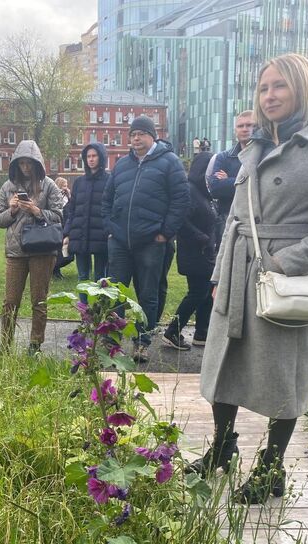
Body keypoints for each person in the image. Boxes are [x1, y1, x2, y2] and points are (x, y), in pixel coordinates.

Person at [194, 53, 308, 504]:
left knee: (284, 374)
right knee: (221, 363)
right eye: (264, 87)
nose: (269, 96)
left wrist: (289, 261)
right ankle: (222, 447)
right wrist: (217, 273)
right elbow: (234, 215)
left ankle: (272, 468)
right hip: (235, 270)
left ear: (301, 89)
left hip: (282, 280)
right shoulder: (254, 146)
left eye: (279, 86)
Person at [102, 115, 189, 363]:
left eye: (141, 133)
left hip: (151, 241)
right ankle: (113, 336)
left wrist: (165, 232)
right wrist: (110, 228)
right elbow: (107, 199)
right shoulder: (121, 165)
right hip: (119, 241)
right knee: (116, 292)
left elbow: (181, 200)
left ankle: (142, 341)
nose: (136, 138)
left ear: (153, 136)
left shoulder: (170, 162)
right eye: (132, 134)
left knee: (148, 294)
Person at [0, 140, 63, 355]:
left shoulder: (49, 185)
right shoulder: (8, 187)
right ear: (16, 163)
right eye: (21, 163)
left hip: (42, 250)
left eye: (29, 163)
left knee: (38, 300)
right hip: (16, 252)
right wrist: (12, 210)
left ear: (37, 163)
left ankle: (35, 345)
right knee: (10, 301)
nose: (25, 167)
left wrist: (36, 211)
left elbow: (59, 217)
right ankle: (5, 345)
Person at [162, 151, 217, 350]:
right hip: (195, 252)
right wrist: (200, 237)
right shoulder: (191, 191)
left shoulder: (204, 192)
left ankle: (202, 333)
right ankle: (172, 331)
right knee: (198, 292)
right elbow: (181, 221)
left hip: (204, 252)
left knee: (206, 292)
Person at [64, 143, 109, 301]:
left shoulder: (109, 180)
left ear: (101, 157)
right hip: (80, 234)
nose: (91, 159)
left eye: (94, 156)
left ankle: (99, 313)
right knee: (83, 277)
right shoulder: (79, 182)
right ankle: (85, 313)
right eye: (88, 156)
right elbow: (72, 209)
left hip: (100, 236)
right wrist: (67, 232)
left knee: (100, 278)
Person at [207, 110, 255, 247]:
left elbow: (264, 187)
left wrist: (230, 180)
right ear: (235, 131)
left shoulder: (265, 156)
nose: (245, 129)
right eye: (240, 126)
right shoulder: (224, 157)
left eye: (249, 125)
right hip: (228, 217)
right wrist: (248, 181)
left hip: (257, 220)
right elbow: (215, 188)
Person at [52, 176, 73, 279]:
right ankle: (55, 270)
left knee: (67, 253)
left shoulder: (67, 197)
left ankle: (55, 268)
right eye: (64, 186)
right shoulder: (55, 197)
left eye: (66, 186)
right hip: (57, 227)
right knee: (58, 250)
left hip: (66, 226)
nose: (66, 188)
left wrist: (69, 196)